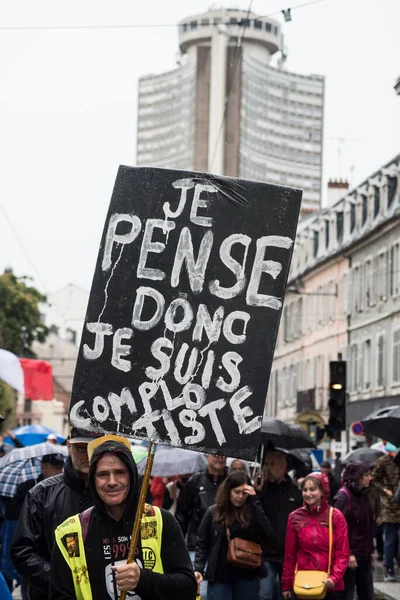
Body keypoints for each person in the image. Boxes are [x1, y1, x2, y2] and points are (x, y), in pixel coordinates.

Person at [50, 435, 197, 600]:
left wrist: (143, 579)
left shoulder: (162, 521)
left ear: (132, 476)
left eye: (120, 472)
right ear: (92, 480)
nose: (112, 481)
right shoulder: (69, 534)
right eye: (103, 474)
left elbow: (188, 588)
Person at [11, 427, 98, 600]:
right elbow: (23, 551)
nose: (86, 454)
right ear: (68, 446)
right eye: (80, 448)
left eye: (92, 448)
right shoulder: (41, 494)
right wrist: (61, 580)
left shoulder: (113, 493)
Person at [194, 470, 274, 600]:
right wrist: (198, 568)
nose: (240, 497)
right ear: (228, 491)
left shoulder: (253, 512)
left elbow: (268, 535)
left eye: (244, 493)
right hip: (220, 575)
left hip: (247, 574)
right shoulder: (214, 512)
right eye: (236, 492)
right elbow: (202, 542)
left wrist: (254, 500)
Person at [0, 453, 64, 596]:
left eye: (60, 467)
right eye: (54, 467)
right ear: (43, 467)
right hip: (28, 542)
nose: (58, 470)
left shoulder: (65, 489)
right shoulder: (30, 488)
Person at [281, 472, 350, 600]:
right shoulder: (294, 517)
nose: (307, 494)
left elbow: (343, 553)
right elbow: (290, 554)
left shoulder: (335, 516)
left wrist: (334, 577)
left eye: (312, 489)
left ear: (323, 491)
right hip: (303, 583)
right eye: (305, 490)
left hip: (330, 584)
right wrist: (286, 584)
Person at [255, 449, 303, 600]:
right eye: (266, 464)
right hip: (266, 554)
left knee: (289, 596)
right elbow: (255, 516)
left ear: (284, 466)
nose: (268, 468)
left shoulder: (295, 491)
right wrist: (257, 493)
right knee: (264, 595)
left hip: (289, 556)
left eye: (273, 464)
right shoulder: (262, 489)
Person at [333, 461, 374, 600]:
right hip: (349, 559)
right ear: (356, 477)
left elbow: (367, 525)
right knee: (347, 595)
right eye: (366, 475)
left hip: (364, 556)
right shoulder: (343, 497)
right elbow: (336, 528)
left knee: (367, 595)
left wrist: (371, 550)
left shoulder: (363, 495)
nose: (370, 478)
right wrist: (349, 553)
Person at [373, 450, 400, 582]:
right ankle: (388, 569)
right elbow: (375, 480)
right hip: (389, 507)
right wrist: (385, 491)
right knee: (390, 540)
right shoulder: (383, 461)